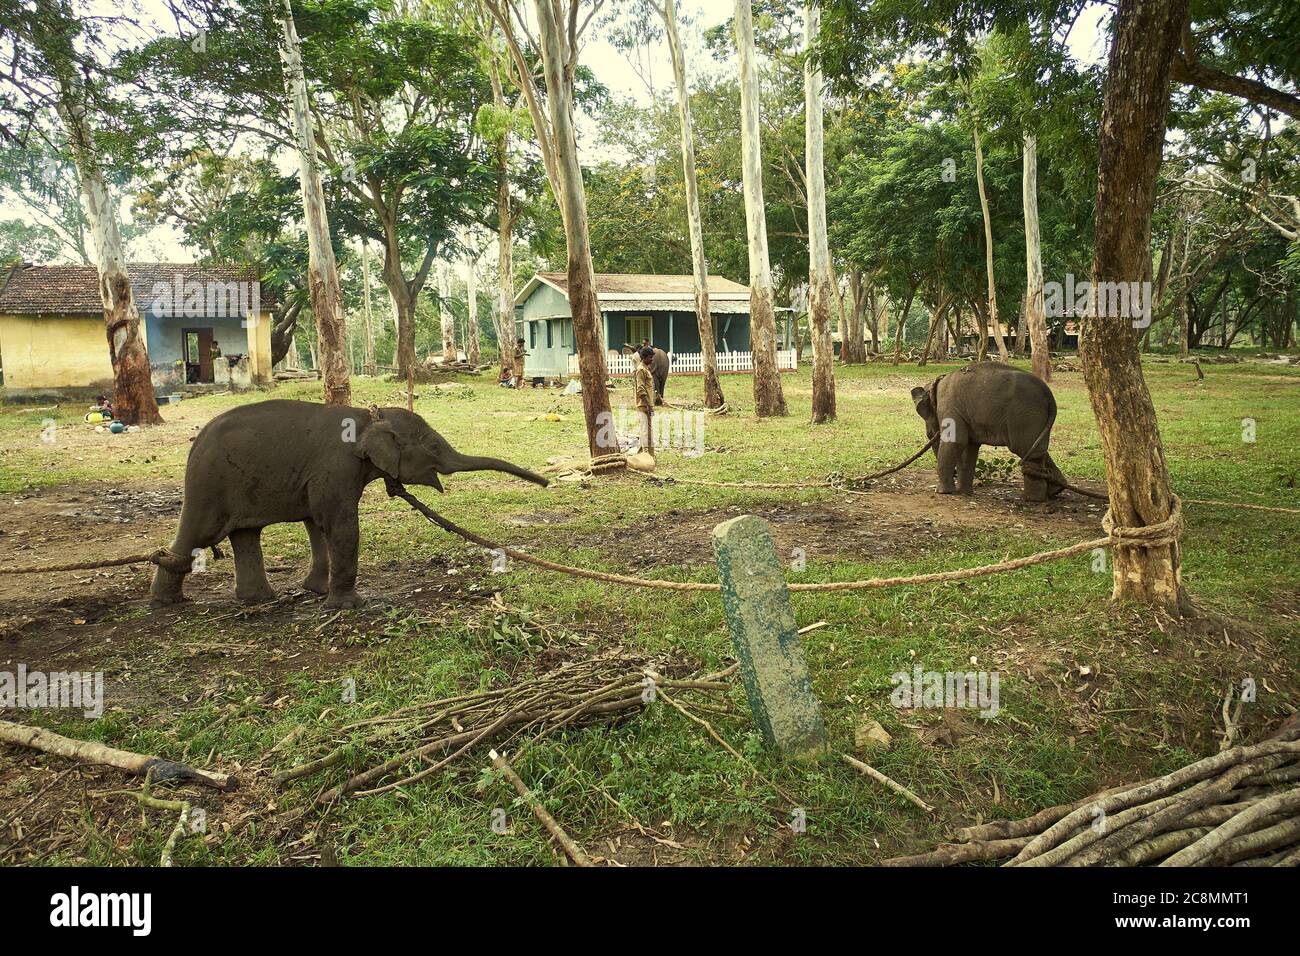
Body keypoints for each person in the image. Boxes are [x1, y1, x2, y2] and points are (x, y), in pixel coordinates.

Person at [634, 346, 656, 455]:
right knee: (645, 431)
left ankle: (647, 454)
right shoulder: (640, 370)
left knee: (648, 431)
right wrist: (648, 405)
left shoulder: (646, 369)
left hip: (648, 405)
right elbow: (641, 389)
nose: (652, 360)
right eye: (650, 357)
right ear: (644, 357)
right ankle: (645, 455)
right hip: (644, 406)